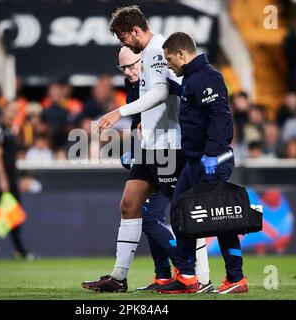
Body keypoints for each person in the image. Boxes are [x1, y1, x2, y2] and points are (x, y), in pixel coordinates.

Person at [82, 6, 212, 293]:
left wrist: (120, 112)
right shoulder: (152, 52)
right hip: (152, 146)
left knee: (184, 213)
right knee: (129, 204)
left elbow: (161, 91)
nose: (123, 43)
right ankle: (118, 278)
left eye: (122, 37)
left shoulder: (156, 49)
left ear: (135, 30)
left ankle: (200, 277)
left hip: (170, 146)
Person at [157, 32, 247, 294]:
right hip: (195, 162)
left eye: (169, 58)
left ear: (182, 54)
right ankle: (187, 276)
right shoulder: (191, 80)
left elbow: (220, 117)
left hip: (212, 160)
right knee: (179, 212)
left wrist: (213, 153)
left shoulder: (208, 77)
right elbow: (192, 99)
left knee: (219, 219)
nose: (168, 63)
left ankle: (236, 278)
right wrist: (169, 86)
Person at [118, 46, 178, 291]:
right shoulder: (133, 86)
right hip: (149, 155)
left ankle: (187, 269)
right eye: (123, 67)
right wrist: (134, 151)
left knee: (151, 218)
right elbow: (139, 122)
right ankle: (163, 276)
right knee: (147, 216)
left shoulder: (160, 81)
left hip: (168, 154)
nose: (128, 71)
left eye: (132, 65)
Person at [0, 101, 32, 259]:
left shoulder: (9, 130)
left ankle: (19, 250)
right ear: (3, 112)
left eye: (15, 111)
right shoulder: (0, 129)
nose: (14, 113)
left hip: (10, 177)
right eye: (11, 110)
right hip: (1, 177)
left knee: (13, 213)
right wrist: (2, 178)